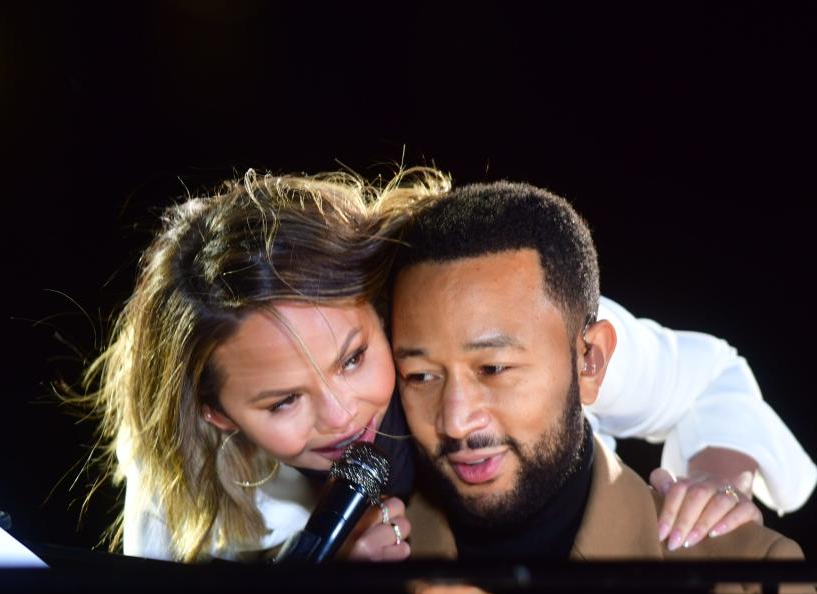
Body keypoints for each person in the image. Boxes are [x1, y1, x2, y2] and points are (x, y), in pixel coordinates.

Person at [81, 168, 814, 562]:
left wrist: (720, 480)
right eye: (282, 404)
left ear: (383, 304)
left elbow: (710, 376)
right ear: (217, 414)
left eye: (356, 359)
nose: (342, 417)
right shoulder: (183, 480)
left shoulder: (478, 318)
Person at [389, 179, 808, 565]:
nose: (456, 421)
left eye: (494, 368)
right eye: (420, 376)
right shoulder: (374, 378)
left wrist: (717, 491)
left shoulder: (556, 326)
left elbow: (713, 377)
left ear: (590, 360)